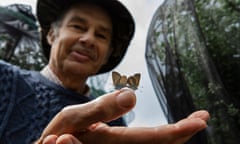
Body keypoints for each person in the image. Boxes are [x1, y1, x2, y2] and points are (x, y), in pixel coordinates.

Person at [0, 0, 210, 144]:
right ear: (52, 34)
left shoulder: (114, 120)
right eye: (78, 26)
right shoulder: (6, 79)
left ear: (108, 53)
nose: (89, 39)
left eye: (101, 35)